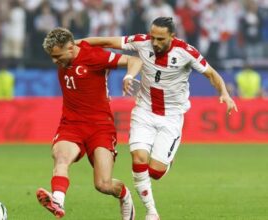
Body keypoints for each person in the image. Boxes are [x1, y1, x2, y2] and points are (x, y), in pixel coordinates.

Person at [77, 17, 238, 220]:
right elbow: (106, 41)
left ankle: (167, 161)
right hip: (144, 111)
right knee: (138, 158)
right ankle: (151, 212)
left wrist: (224, 93)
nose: (155, 42)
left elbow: (211, 74)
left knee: (156, 172)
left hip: (171, 117)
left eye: (160, 39)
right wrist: (75, 44)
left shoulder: (186, 52)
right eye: (153, 37)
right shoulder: (141, 41)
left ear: (172, 36)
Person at [36, 27, 143, 220]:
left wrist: (128, 76)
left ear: (70, 48)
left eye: (57, 56)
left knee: (103, 184)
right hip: (71, 124)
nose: (55, 61)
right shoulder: (68, 50)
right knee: (61, 158)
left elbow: (135, 60)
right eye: (52, 57)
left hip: (100, 126)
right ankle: (58, 202)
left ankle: (125, 196)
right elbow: (78, 41)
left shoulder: (94, 57)